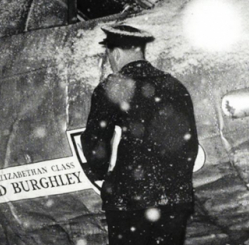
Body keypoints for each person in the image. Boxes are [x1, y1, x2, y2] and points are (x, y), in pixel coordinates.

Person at [81, 24, 198, 245]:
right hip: (174, 200)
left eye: (109, 56)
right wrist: (175, 184)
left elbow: (96, 141)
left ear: (116, 53)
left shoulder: (113, 87)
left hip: (131, 201)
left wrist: (99, 170)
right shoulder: (174, 86)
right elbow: (190, 144)